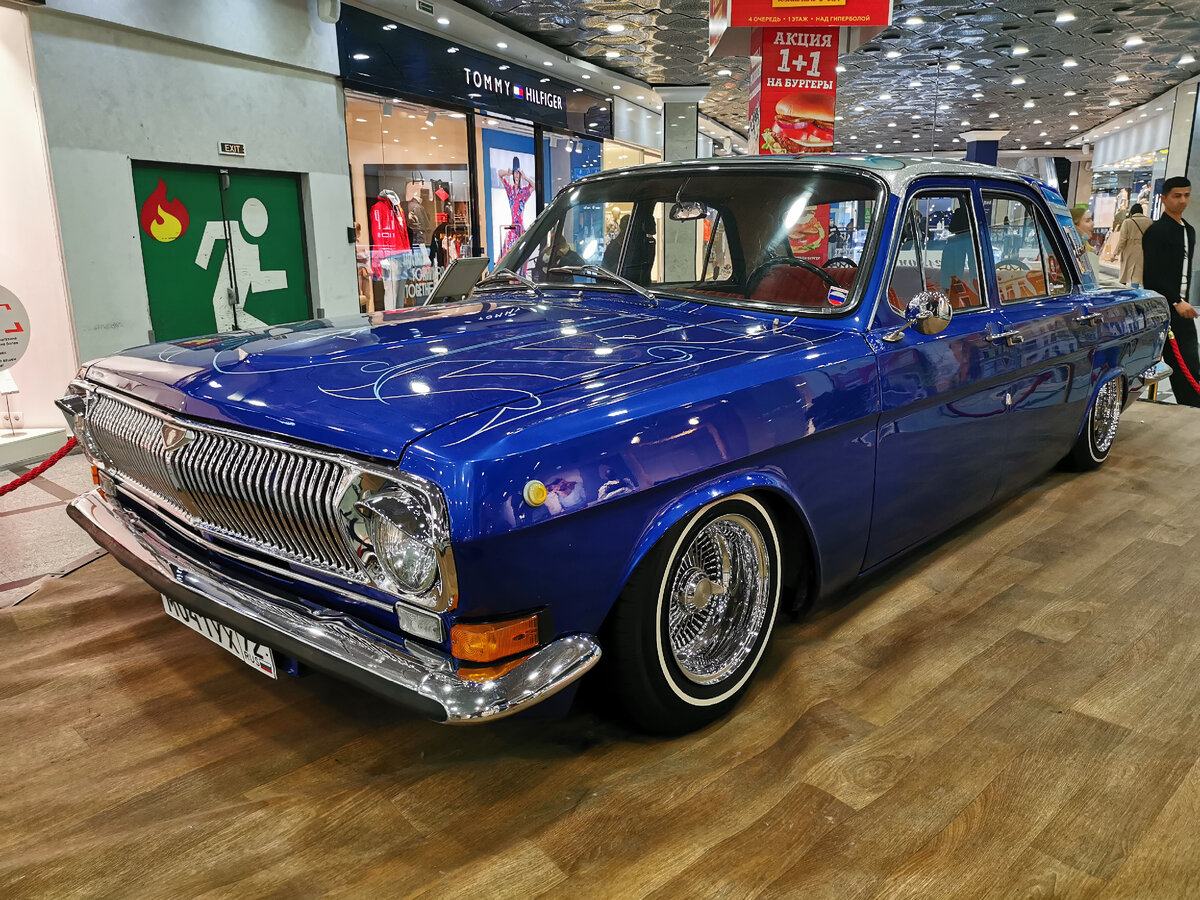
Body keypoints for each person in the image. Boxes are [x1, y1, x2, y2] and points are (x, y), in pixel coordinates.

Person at [1143, 176, 1198, 406]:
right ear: (1164, 198)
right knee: (1182, 364)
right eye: (1177, 195)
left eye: (1186, 195)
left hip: (1182, 307)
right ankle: (1192, 406)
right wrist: (1176, 301)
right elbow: (1151, 276)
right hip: (1164, 309)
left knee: (1189, 363)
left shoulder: (1189, 231)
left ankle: (1192, 406)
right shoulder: (1156, 232)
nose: (1182, 200)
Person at [1116, 202, 1152, 288]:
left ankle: (1122, 291)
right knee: (1137, 275)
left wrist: (1115, 253)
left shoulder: (1127, 222)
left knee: (1124, 273)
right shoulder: (1149, 221)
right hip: (1144, 250)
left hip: (1129, 250)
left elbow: (1122, 240)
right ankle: (1135, 291)